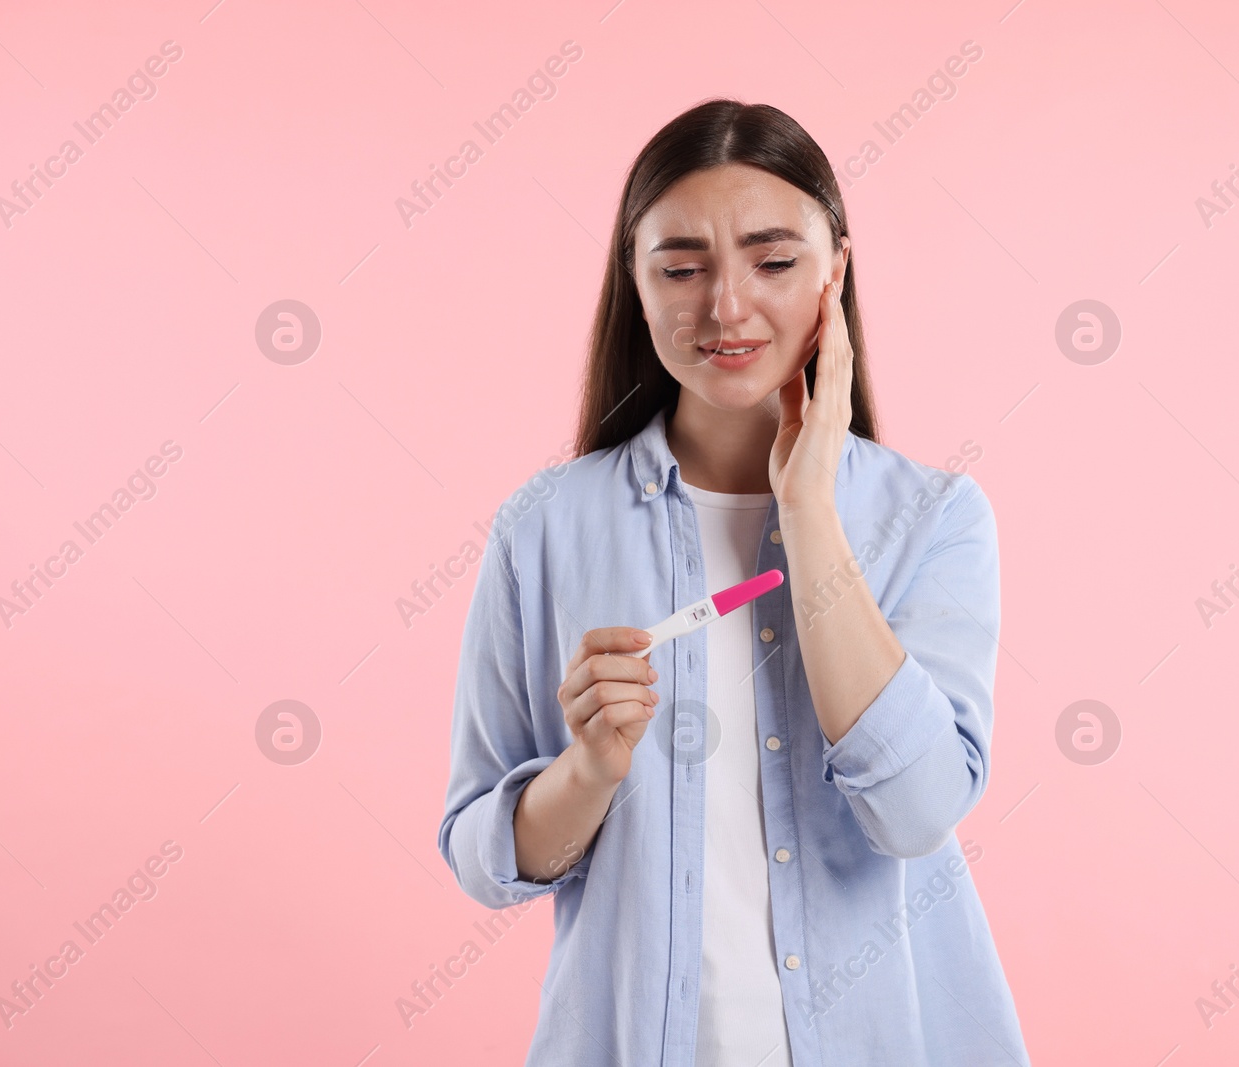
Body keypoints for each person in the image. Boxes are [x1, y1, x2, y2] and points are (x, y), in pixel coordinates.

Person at [437, 98, 1030, 1066]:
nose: (724, 306)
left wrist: (808, 511)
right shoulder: (543, 526)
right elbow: (484, 857)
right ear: (633, 281)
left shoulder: (934, 517)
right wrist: (585, 769)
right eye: (679, 267)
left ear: (835, 268)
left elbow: (918, 810)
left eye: (773, 259)